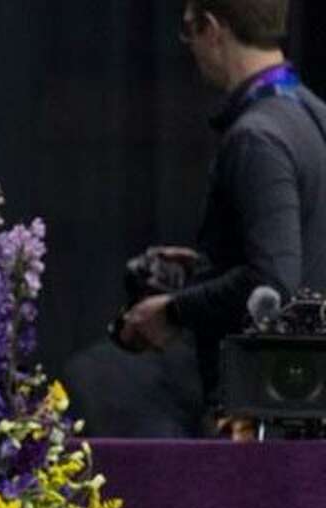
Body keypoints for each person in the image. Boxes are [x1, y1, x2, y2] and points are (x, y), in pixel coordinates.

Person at [119, 0, 326, 432]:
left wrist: (173, 310)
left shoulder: (257, 138)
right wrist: (207, 269)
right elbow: (307, 260)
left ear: (212, 29)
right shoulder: (315, 117)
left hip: (262, 426)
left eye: (189, 31)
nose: (189, 48)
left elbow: (273, 286)